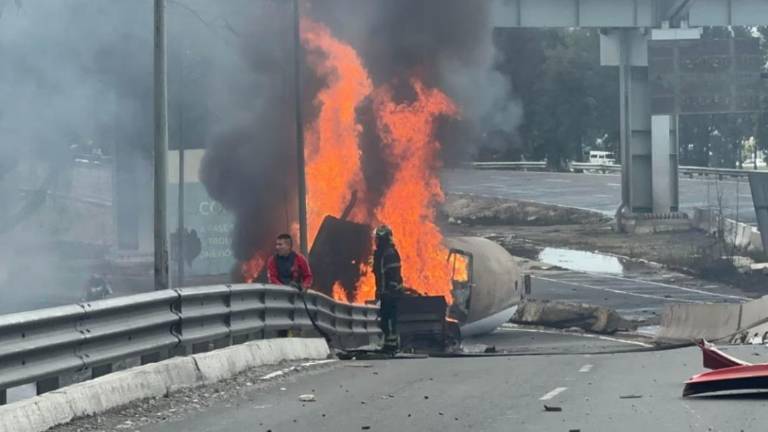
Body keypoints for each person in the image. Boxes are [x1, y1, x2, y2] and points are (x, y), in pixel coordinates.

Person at [372, 225, 403, 352]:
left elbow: (393, 274)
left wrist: (389, 290)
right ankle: (390, 343)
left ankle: (391, 344)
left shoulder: (388, 253)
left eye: (378, 238)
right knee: (386, 319)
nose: (376, 241)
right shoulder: (382, 253)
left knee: (389, 319)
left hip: (391, 293)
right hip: (386, 292)